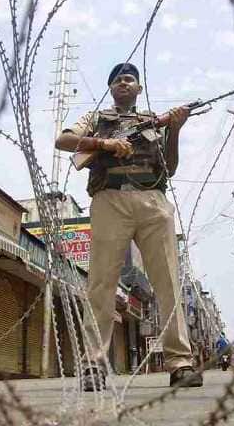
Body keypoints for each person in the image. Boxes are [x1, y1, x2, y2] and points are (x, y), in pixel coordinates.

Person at [55, 62, 201, 391]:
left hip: (153, 200)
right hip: (110, 200)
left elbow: (170, 167)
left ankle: (180, 363)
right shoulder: (96, 119)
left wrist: (175, 128)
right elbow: (64, 140)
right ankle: (93, 363)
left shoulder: (153, 121)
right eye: (118, 79)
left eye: (130, 79)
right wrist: (106, 144)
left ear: (139, 89)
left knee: (168, 283)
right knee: (102, 283)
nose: (124, 82)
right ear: (111, 88)